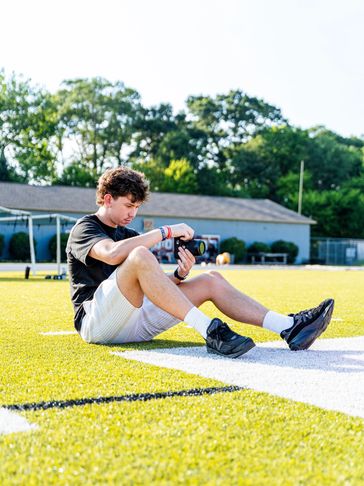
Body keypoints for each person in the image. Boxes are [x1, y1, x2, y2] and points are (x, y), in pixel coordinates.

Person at [66, 167, 334, 358]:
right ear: (108, 199)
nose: (132, 213)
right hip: (98, 324)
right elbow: (112, 253)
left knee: (210, 279)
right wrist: (166, 231)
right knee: (139, 255)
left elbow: (154, 288)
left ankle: (288, 327)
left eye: (137, 208)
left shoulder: (131, 235)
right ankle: (210, 330)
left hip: (135, 321)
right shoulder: (85, 228)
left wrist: (179, 275)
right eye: (128, 206)